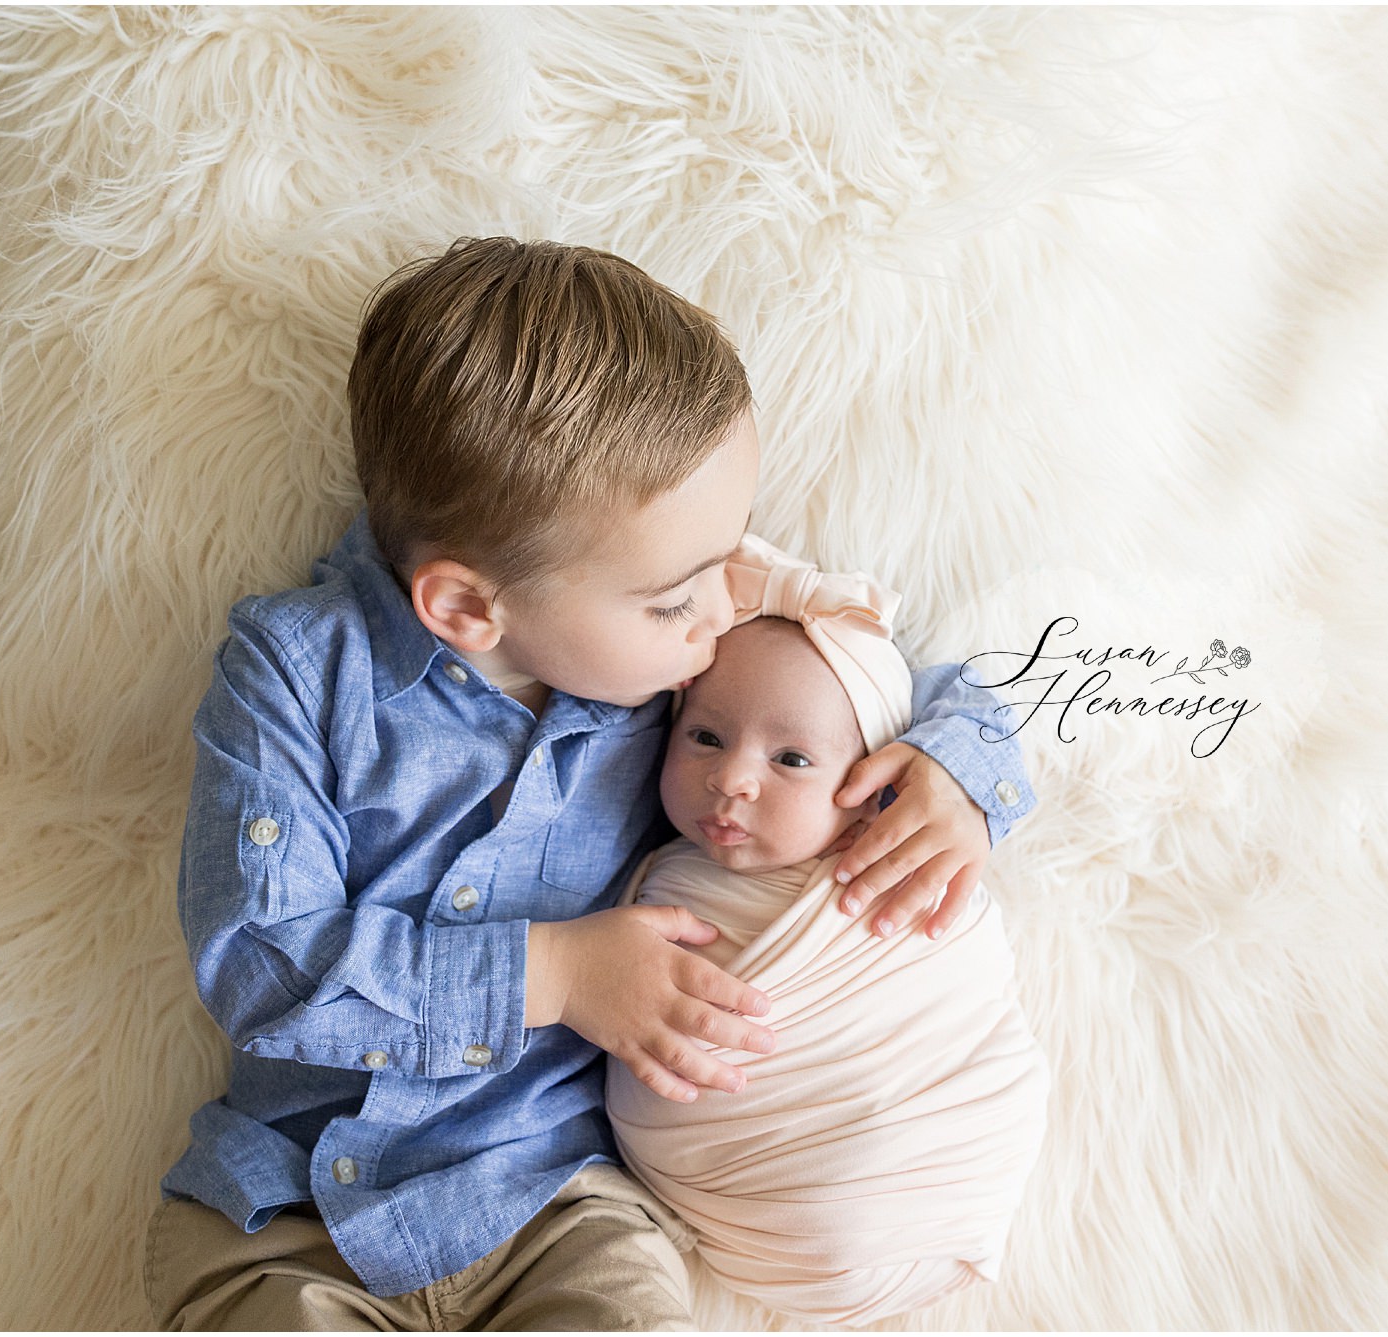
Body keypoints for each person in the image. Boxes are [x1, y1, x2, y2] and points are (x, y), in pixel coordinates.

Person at [144, 236, 1038, 1330]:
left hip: (553, 1197)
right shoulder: (296, 667)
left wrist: (956, 769)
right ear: (470, 611)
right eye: (678, 596)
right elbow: (263, 960)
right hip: (286, 1209)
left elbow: (903, 677)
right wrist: (557, 974)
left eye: (726, 561)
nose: (723, 610)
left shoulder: (684, 654)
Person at [605, 535, 1051, 1327]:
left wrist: (960, 779)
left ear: (871, 785)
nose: (731, 777)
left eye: (792, 759)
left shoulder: (891, 860)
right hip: (734, 1201)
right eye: (704, 735)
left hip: (920, 1160)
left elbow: (979, 701)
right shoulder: (649, 865)